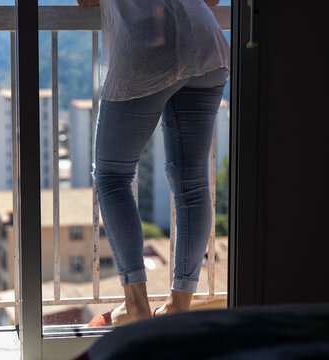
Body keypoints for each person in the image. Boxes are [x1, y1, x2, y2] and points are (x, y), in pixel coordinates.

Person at [76, 0, 230, 326]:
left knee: (112, 177)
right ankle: (179, 305)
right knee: (193, 182)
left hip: (147, 47)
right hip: (206, 44)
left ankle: (135, 306)